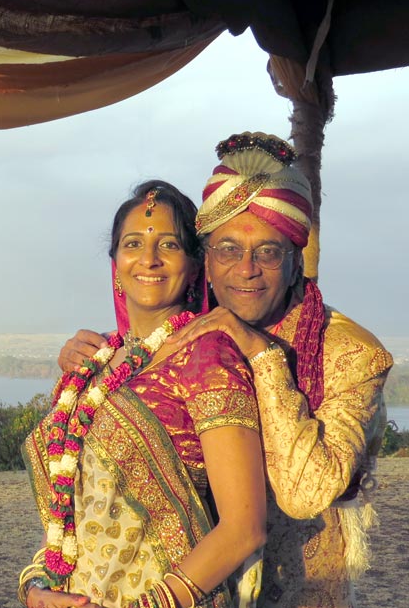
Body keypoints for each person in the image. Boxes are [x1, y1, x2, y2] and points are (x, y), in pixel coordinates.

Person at [59, 133, 393, 608]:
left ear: (296, 262)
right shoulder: (198, 330)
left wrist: (261, 353)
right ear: (208, 265)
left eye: (268, 252)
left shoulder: (351, 352)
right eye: (229, 249)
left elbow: (305, 492)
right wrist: (84, 366)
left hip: (303, 587)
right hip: (201, 578)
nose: (247, 269)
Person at [19, 181, 267, 608]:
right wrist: (37, 588)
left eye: (168, 244)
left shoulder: (207, 354)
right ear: (115, 263)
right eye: (133, 243)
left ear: (194, 267)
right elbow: (70, 512)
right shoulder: (91, 365)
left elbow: (245, 526)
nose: (149, 259)